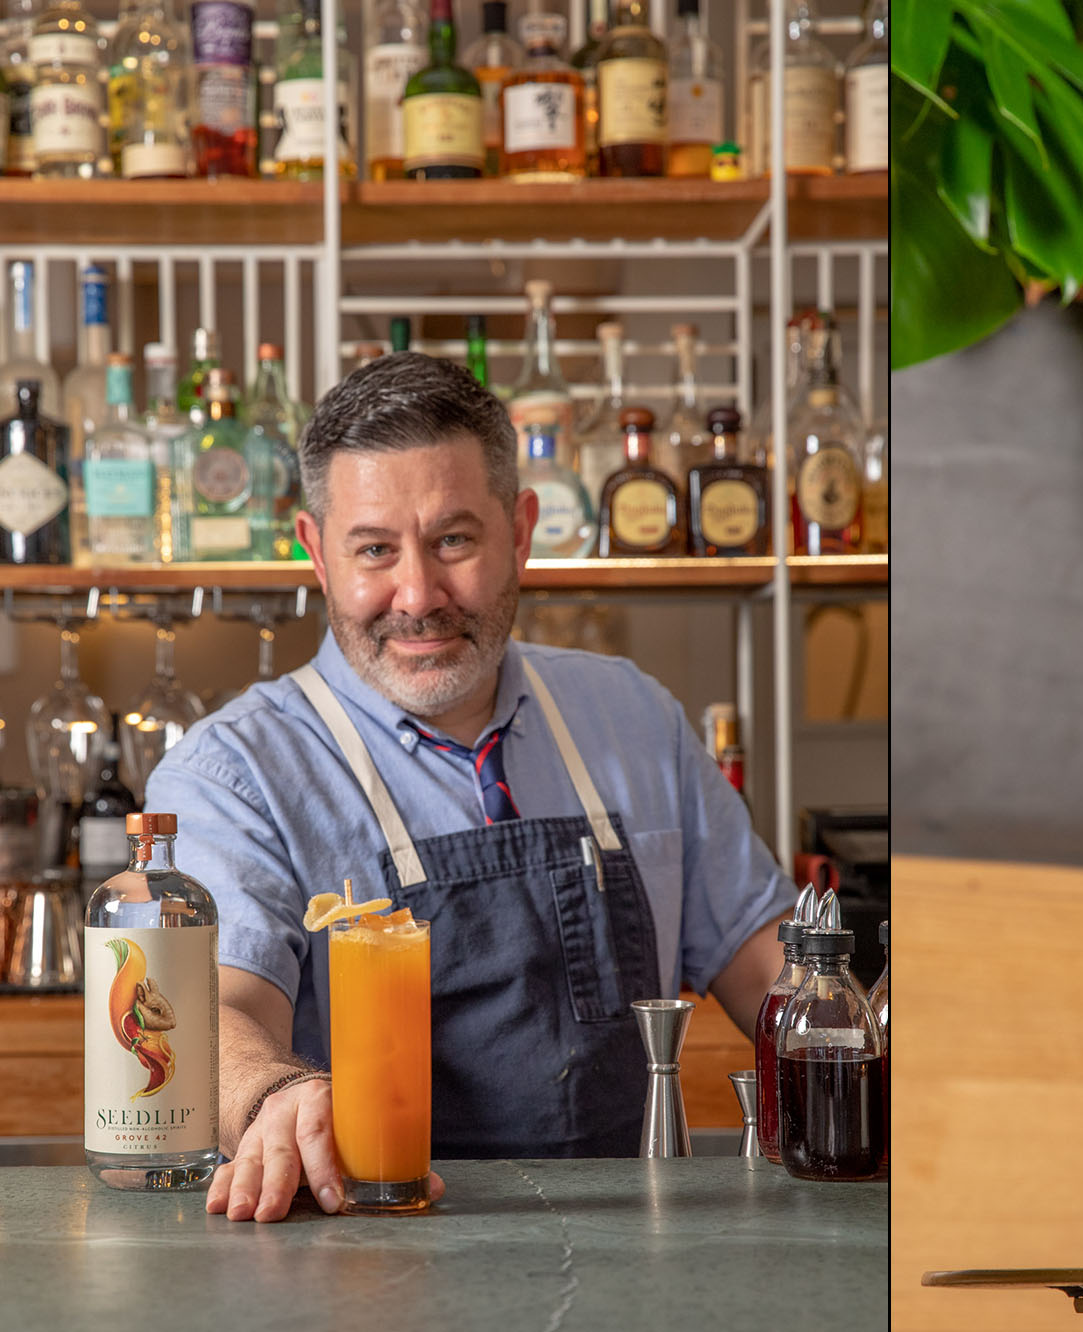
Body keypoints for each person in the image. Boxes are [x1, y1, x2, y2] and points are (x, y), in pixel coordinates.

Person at [142, 353, 790, 1222]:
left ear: (520, 531)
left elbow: (767, 963)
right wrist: (269, 1095)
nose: (419, 594)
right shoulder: (233, 773)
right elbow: (212, 1011)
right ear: (316, 553)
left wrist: (880, 1051)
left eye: (454, 541)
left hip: (633, 1249)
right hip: (369, 1265)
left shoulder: (633, 716)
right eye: (374, 550)